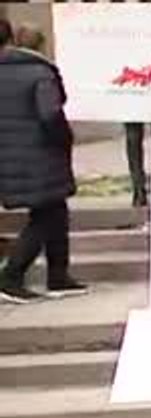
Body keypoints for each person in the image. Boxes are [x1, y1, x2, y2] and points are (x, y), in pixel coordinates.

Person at [0, 20, 87, 304]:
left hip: (12, 155)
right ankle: (11, 275)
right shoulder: (40, 72)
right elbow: (50, 114)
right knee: (46, 216)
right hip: (41, 154)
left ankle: (58, 276)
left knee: (55, 211)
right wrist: (65, 139)